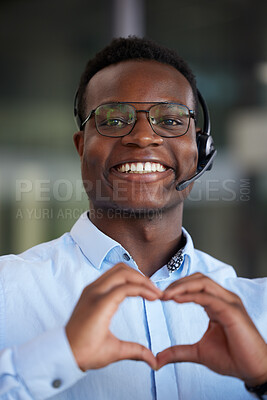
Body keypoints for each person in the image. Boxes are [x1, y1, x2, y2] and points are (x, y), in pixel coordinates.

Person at [0, 37, 266, 400]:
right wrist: (56, 356)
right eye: (113, 119)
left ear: (201, 152)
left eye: (171, 120)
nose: (143, 137)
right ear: (82, 148)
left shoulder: (258, 309)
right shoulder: (6, 290)